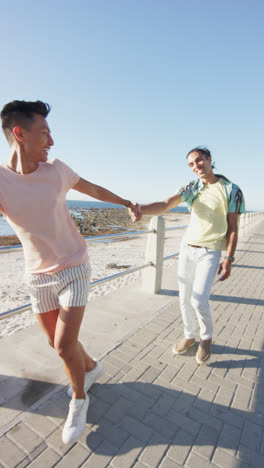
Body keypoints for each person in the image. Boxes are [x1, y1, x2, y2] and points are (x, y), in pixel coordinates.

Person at [0, 100, 140, 444]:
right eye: (45, 132)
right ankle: (91, 368)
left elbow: (92, 190)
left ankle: (79, 399)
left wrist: (127, 203)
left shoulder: (57, 171)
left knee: (63, 346)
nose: (51, 141)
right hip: (37, 276)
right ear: (19, 133)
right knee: (56, 342)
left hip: (74, 266)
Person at [130, 147, 245, 364]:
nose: (196, 166)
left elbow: (233, 228)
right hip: (187, 248)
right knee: (184, 298)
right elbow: (166, 204)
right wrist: (141, 209)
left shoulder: (231, 190)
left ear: (209, 159)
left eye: (199, 160)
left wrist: (229, 259)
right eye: (191, 164)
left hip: (210, 252)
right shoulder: (192, 188)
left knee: (199, 299)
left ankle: (206, 338)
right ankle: (189, 335)